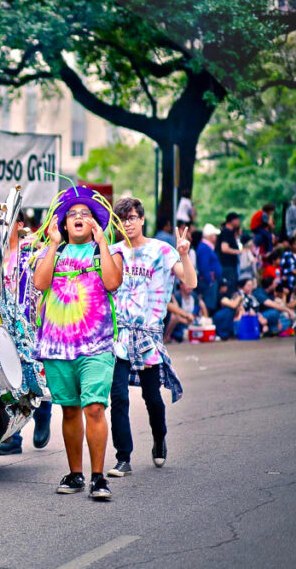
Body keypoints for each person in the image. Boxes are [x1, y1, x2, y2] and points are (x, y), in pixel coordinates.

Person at [33, 186, 123, 500]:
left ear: (96, 223)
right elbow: (39, 283)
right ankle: (75, 475)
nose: (79, 218)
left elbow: (112, 282)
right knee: (69, 411)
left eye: (85, 214)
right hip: (57, 345)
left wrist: (102, 243)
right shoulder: (53, 252)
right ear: (64, 224)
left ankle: (99, 477)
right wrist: (53, 245)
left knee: (95, 409)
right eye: (73, 214)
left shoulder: (106, 252)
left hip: (96, 345)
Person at [106, 197, 193, 479]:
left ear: (142, 219)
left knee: (152, 397)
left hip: (147, 336)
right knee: (117, 396)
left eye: (132, 218)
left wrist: (184, 254)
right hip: (119, 336)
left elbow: (189, 282)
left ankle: (159, 439)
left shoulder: (161, 250)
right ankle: (123, 457)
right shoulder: (112, 251)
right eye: (122, 219)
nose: (127, 224)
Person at [0, 211, 51, 455]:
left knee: (36, 373)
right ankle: (14, 437)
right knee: (11, 376)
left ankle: (44, 414)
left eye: (5, 220)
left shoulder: (30, 250)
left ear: (19, 224)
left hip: (33, 323)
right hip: (6, 325)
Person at [191, 228, 221, 313]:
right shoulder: (204, 247)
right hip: (207, 282)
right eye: (215, 235)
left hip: (209, 281)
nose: (216, 237)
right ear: (210, 236)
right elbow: (204, 265)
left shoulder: (207, 247)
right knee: (206, 305)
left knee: (209, 304)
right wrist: (210, 280)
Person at [216, 212, 242, 291]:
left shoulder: (230, 232)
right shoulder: (226, 232)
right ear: (233, 221)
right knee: (229, 289)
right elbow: (224, 248)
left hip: (230, 266)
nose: (239, 222)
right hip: (227, 266)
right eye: (237, 220)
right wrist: (239, 251)